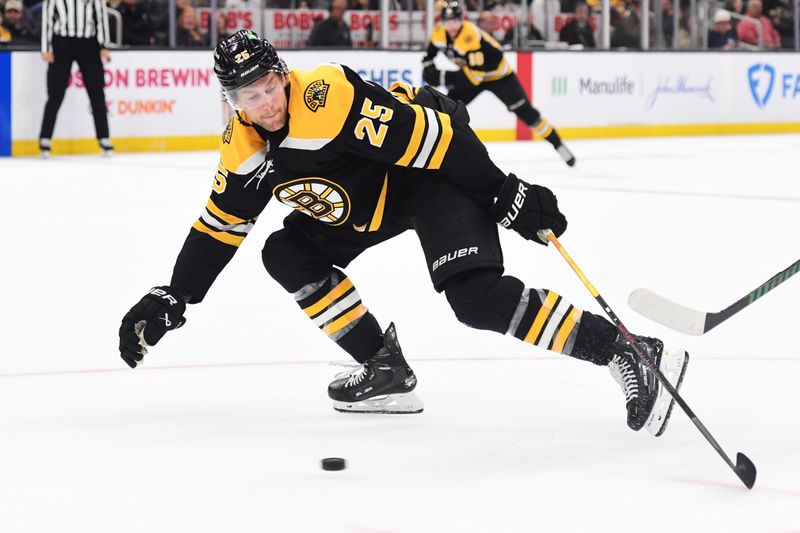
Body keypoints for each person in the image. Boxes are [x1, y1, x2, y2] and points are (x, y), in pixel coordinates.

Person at [118, 29, 689, 435]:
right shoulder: (242, 149)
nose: (265, 103)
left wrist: (505, 195)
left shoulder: (327, 99)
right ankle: (383, 365)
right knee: (285, 250)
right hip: (362, 208)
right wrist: (174, 295)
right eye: (248, 96)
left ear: (281, 73)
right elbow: (219, 229)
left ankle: (624, 349)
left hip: (429, 174)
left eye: (269, 85)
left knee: (476, 299)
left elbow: (438, 139)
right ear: (231, 102)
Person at [422, 2, 576, 167]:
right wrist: (428, 68)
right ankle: (436, 154)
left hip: (499, 77)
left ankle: (558, 144)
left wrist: (443, 77)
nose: (451, 25)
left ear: (462, 20)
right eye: (447, 21)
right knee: (446, 110)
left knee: (527, 113)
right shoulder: (439, 32)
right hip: (473, 74)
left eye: (454, 21)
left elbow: (474, 78)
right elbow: (429, 56)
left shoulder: (470, 36)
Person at [40, 0, 113, 157]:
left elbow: (100, 16)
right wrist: (46, 48)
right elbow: (48, 18)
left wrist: (104, 45)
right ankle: (45, 138)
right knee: (55, 93)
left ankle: (104, 137)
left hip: (88, 42)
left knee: (97, 92)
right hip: (62, 42)